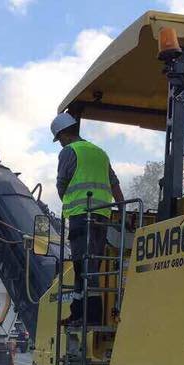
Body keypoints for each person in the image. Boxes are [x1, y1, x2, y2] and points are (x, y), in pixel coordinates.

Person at [52, 111, 124, 325]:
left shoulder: (69, 152)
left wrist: (67, 204)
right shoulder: (100, 153)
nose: (60, 143)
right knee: (87, 265)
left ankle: (91, 316)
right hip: (103, 215)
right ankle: (78, 312)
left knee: (84, 266)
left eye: (59, 139)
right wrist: (121, 211)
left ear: (64, 134)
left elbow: (61, 184)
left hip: (81, 216)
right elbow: (115, 184)